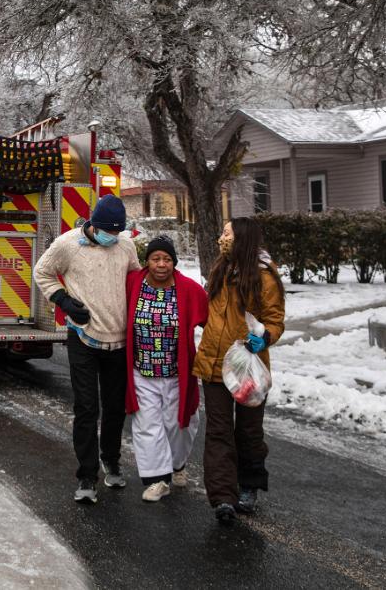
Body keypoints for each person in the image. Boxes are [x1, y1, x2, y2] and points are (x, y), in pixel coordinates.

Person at [33, 194, 142, 504]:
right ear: (94, 224)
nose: (112, 237)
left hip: (119, 339)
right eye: (108, 231)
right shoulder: (67, 245)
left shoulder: (125, 246)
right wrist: (63, 301)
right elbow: (41, 272)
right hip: (83, 337)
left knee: (114, 407)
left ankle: (111, 459)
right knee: (86, 407)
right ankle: (86, 475)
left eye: (117, 232)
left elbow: (134, 277)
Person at [192, 217, 285, 525]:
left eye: (227, 233)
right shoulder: (221, 268)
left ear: (242, 238)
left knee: (248, 431)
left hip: (247, 366)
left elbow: (275, 319)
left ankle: (249, 485)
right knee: (218, 431)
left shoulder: (263, 276)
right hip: (214, 364)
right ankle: (223, 498)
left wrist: (265, 338)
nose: (222, 237)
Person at [123, 236, 208, 503]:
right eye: (156, 259)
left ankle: (177, 464)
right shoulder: (133, 283)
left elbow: (212, 322)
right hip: (142, 372)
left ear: (174, 262)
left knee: (180, 424)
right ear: (146, 262)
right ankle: (157, 479)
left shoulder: (189, 289)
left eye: (167, 259)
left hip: (176, 374)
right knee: (148, 425)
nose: (161, 264)